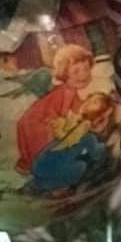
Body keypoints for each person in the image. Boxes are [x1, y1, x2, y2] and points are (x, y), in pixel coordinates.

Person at [16, 43, 93, 174]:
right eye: (76, 71)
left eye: (86, 69)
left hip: (47, 122)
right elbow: (54, 113)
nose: (83, 75)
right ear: (64, 74)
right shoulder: (62, 93)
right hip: (34, 125)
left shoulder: (70, 91)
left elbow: (77, 107)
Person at [29, 92, 115, 194]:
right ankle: (54, 187)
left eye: (95, 102)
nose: (89, 102)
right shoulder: (88, 136)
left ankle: (38, 184)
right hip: (51, 166)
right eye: (90, 98)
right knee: (81, 165)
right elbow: (96, 154)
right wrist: (106, 145)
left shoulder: (75, 124)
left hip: (41, 164)